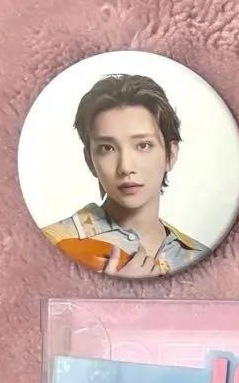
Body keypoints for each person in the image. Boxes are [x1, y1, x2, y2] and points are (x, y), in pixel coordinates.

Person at [40, 73, 207, 277]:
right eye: (107, 148)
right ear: (89, 160)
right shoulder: (49, 246)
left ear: (170, 155)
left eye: (143, 145)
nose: (126, 167)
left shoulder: (202, 258)